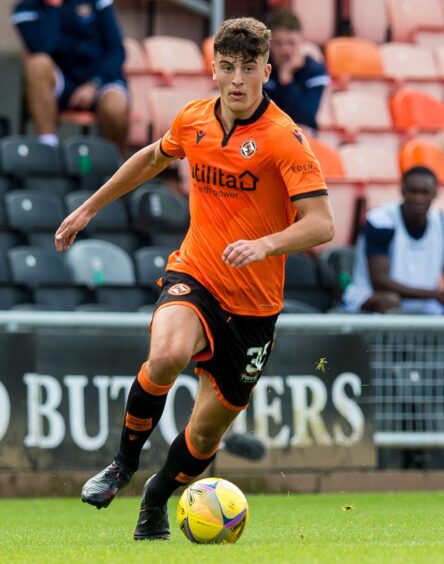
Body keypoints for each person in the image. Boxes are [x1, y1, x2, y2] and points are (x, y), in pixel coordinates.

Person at [54, 17, 334, 541]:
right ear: (213, 70)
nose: (236, 79)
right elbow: (149, 160)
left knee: (205, 433)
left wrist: (267, 244)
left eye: (248, 69)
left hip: (253, 307)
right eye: (227, 67)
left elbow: (323, 224)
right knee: (165, 355)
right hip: (197, 272)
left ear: (266, 72)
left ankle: (155, 500)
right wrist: (88, 208)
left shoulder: (284, 140)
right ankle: (121, 464)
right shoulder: (193, 119)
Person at [11, 0, 129, 153]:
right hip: (61, 80)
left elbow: (116, 50)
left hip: (99, 78)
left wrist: (94, 83)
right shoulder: (25, 9)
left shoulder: (97, 2)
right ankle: (48, 149)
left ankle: (116, 164)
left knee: (116, 106)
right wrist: (53, 6)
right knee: (36, 64)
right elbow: (42, 47)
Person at [342, 166, 444, 314]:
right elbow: (380, 282)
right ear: (402, 190)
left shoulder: (440, 223)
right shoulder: (381, 220)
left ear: (435, 193)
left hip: (424, 301)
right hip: (370, 297)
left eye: (424, 192)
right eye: (413, 191)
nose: (418, 199)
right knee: (389, 300)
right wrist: (434, 295)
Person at [263, 9, 330, 133]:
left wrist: (286, 79)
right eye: (278, 43)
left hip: (302, 138)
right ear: (269, 44)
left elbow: (305, 117)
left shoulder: (315, 70)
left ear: (301, 41)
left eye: (291, 43)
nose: (285, 50)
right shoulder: (260, 69)